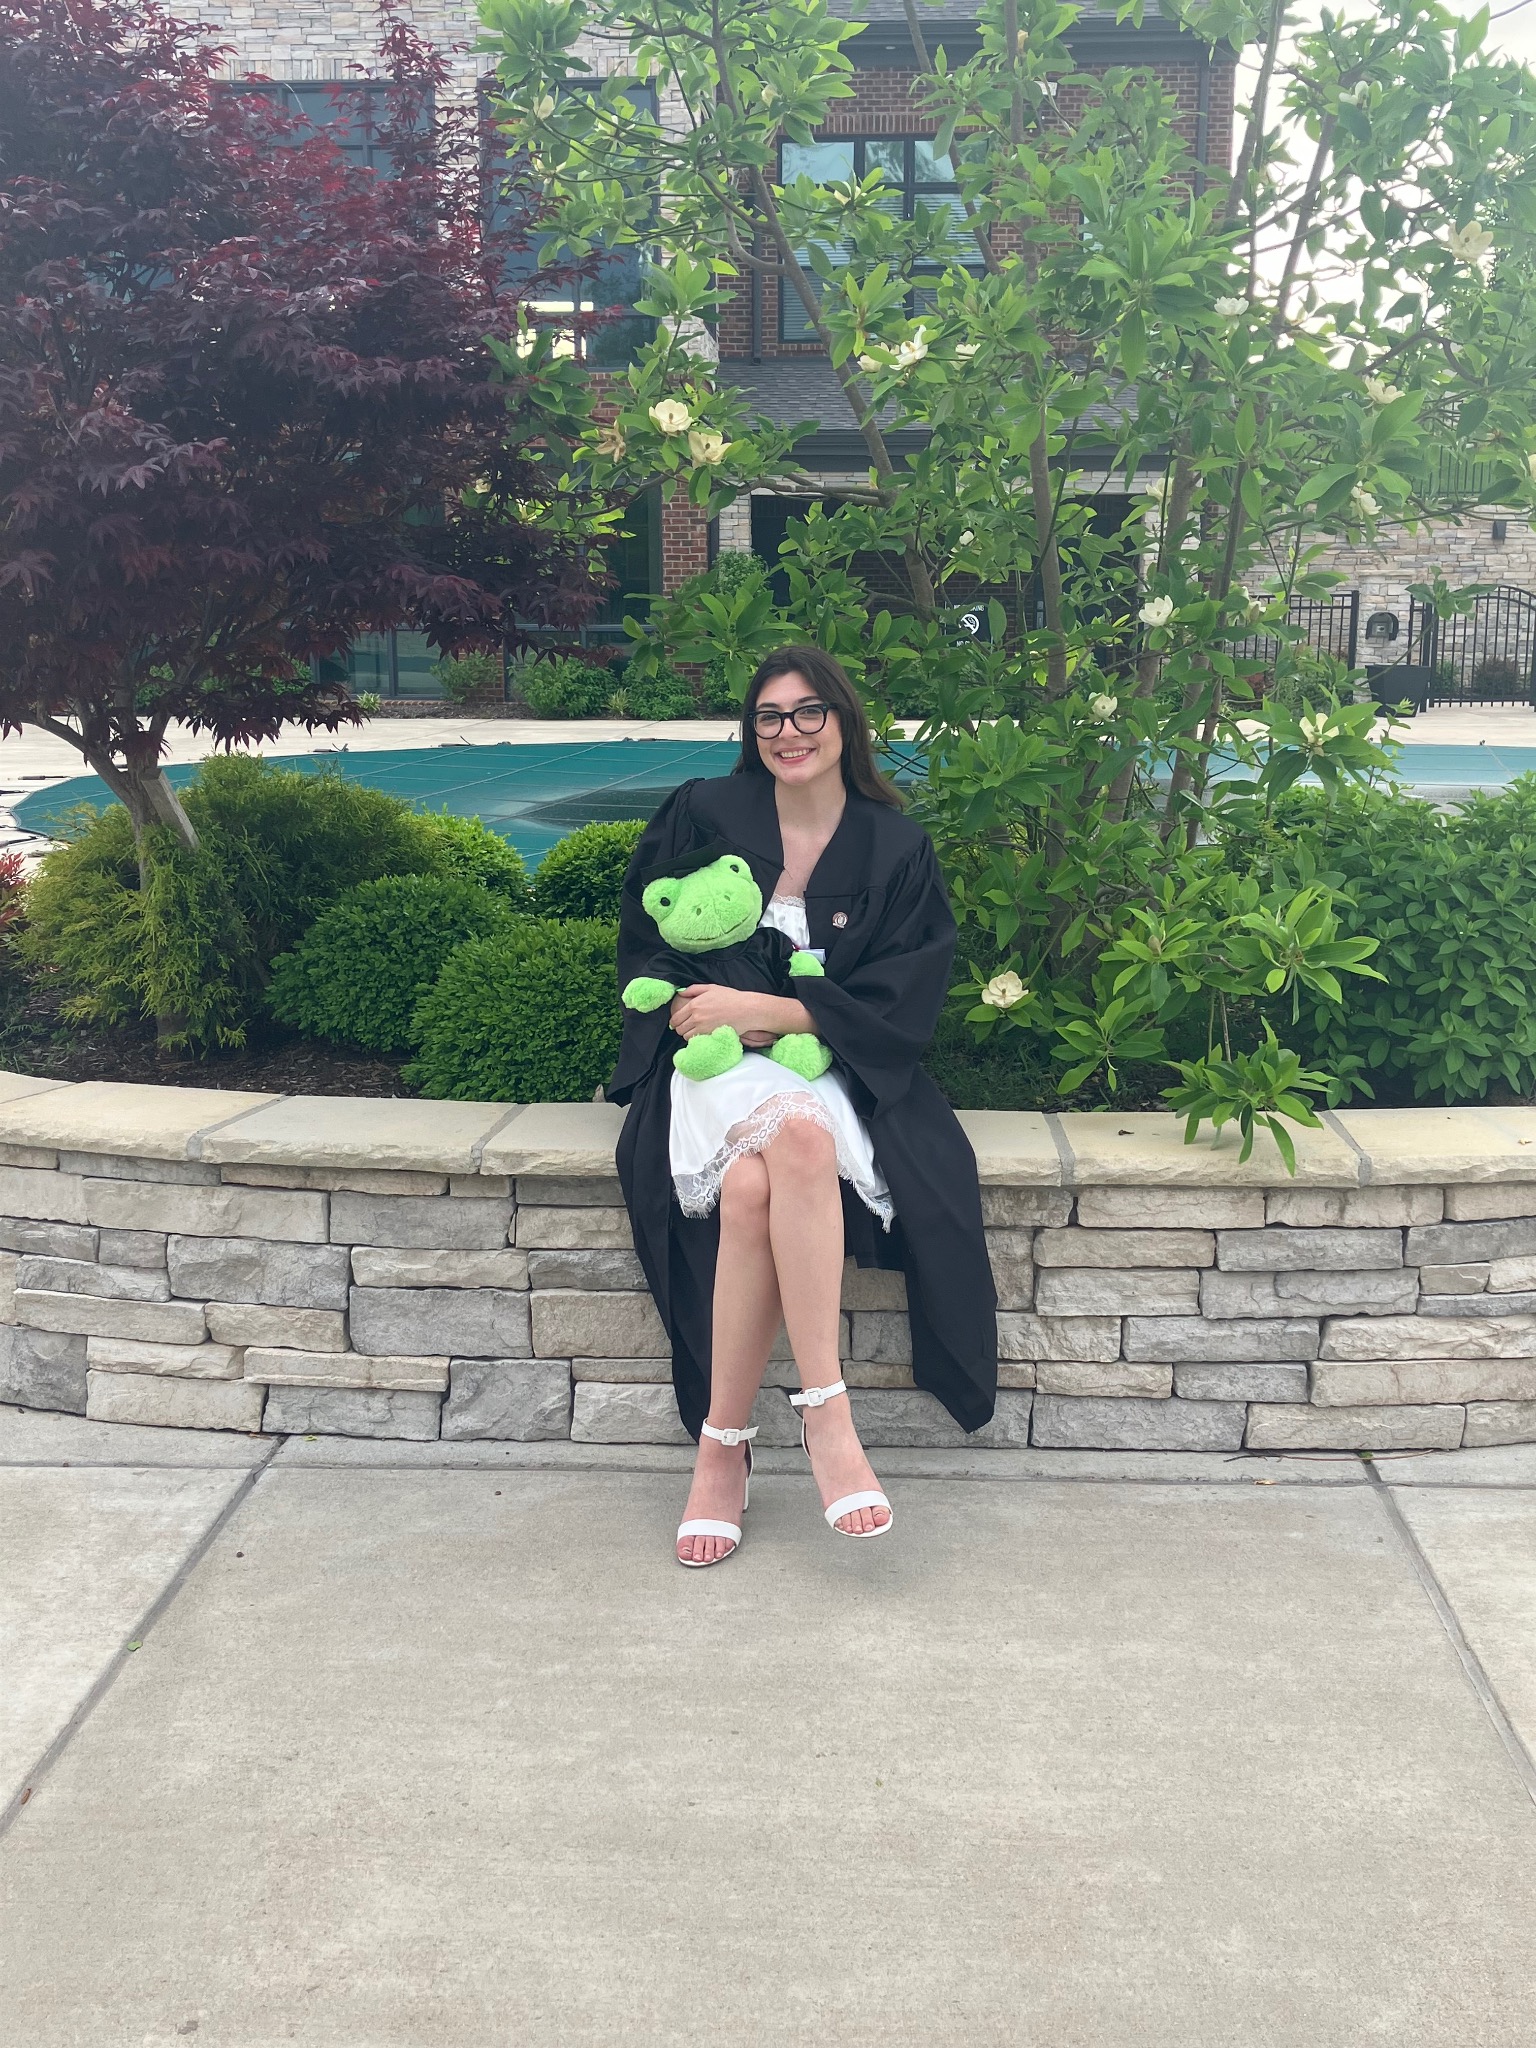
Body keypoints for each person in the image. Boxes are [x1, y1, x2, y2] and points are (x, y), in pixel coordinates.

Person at [608, 646, 997, 1567]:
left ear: (845, 722)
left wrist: (773, 1012)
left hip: (830, 1063)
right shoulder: (705, 812)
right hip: (709, 1070)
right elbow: (647, 944)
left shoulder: (895, 848)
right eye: (770, 716)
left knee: (756, 1186)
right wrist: (700, 1010)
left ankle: (723, 1448)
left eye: (809, 711)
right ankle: (829, 1417)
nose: (790, 732)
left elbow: (903, 1001)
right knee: (799, 1138)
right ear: (752, 731)